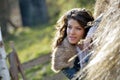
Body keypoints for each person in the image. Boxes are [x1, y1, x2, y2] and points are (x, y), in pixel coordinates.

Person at [51, 8, 94, 79]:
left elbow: (101, 19)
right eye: (69, 27)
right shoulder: (63, 56)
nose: (72, 32)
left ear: (86, 29)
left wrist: (89, 36)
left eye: (78, 28)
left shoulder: (96, 39)